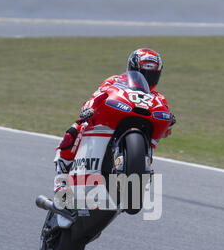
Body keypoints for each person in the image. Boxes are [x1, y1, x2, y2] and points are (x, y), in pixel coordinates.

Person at [54, 48, 176, 195]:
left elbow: (165, 131)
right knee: (77, 128)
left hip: (140, 130)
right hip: (111, 120)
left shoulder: (159, 98)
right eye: (142, 73)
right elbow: (99, 96)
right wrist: (89, 108)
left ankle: (140, 169)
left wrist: (169, 122)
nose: (147, 77)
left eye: (152, 74)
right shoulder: (115, 81)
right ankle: (61, 181)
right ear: (132, 68)